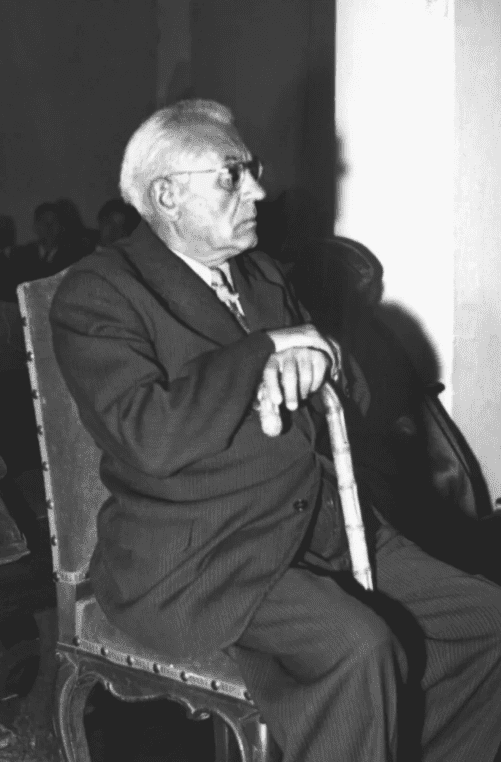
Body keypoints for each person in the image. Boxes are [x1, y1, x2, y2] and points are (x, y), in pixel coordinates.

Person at [50, 99, 501, 762]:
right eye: (231, 175)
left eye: (252, 169)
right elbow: (150, 436)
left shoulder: (260, 274)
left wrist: (323, 357)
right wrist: (261, 352)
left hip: (318, 526)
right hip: (205, 558)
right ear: (167, 194)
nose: (257, 191)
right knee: (358, 647)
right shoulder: (101, 291)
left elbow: (355, 402)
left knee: (488, 625)